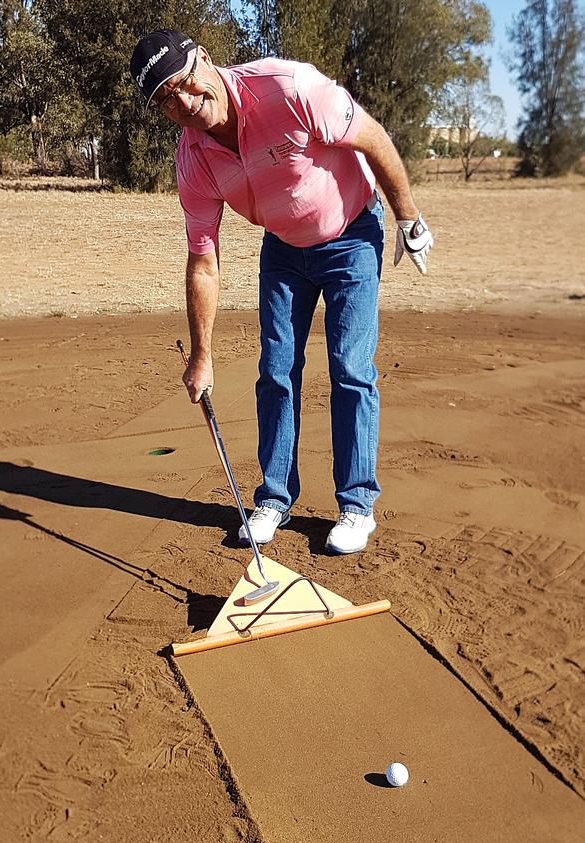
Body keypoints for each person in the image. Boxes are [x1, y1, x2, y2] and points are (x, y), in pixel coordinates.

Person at [130, 29, 433, 555]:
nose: (183, 101)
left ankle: (356, 506)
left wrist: (408, 216)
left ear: (204, 58)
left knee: (350, 368)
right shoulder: (192, 159)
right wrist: (201, 357)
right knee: (275, 371)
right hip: (284, 249)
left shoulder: (289, 88)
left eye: (183, 81)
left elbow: (373, 137)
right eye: (165, 99)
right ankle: (273, 498)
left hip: (351, 233)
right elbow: (204, 261)